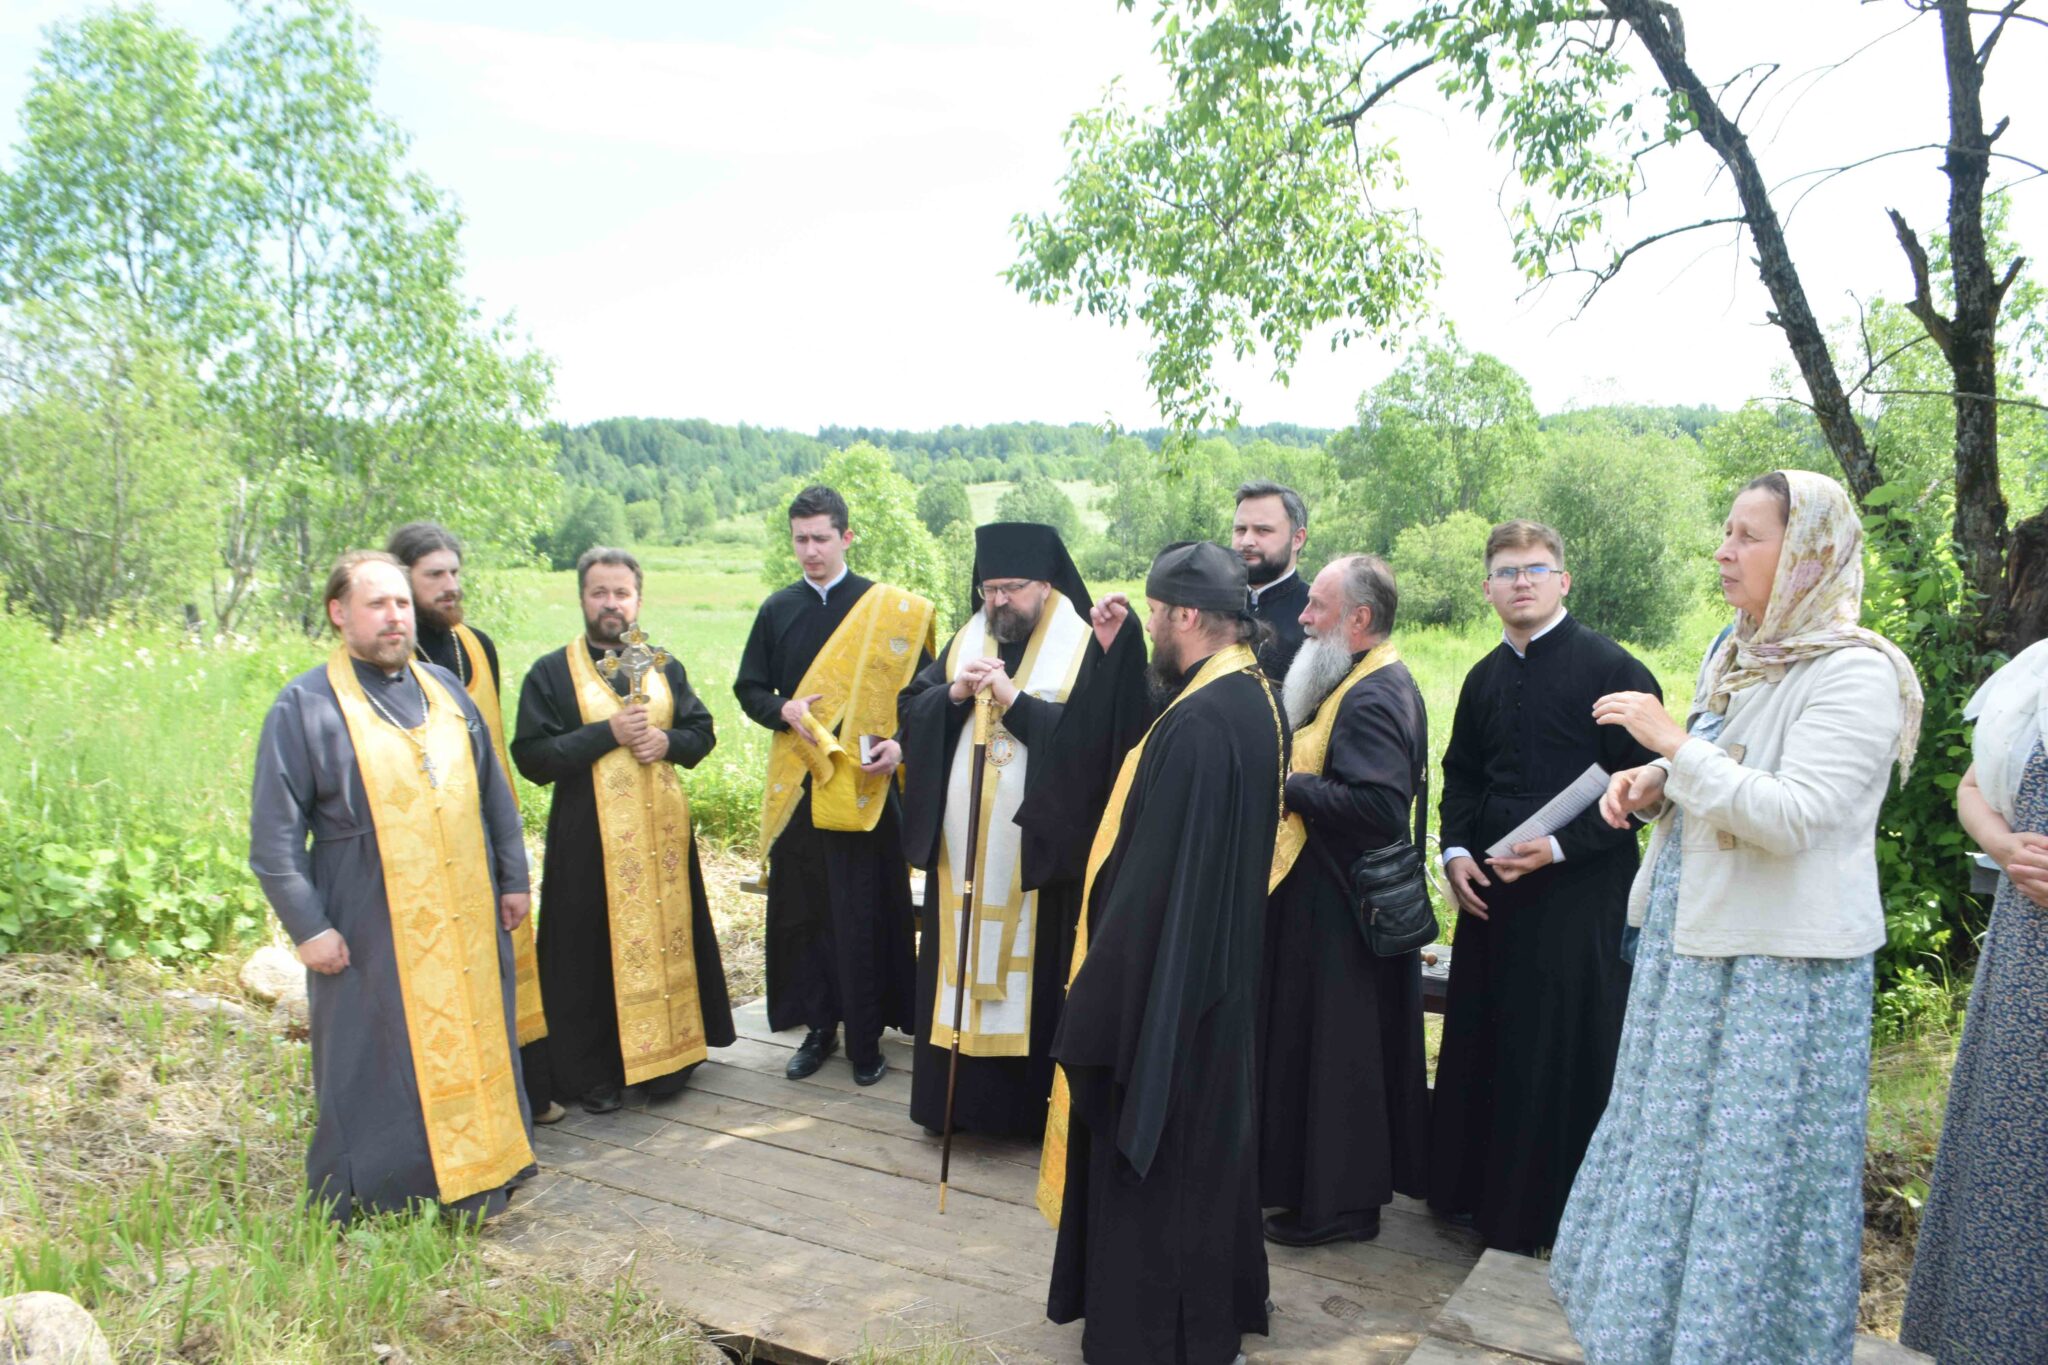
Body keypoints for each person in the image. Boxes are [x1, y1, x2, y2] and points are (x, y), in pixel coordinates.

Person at [1550, 471, 1923, 1362]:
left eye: (1749, 536)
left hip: (1778, 977)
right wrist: (1655, 787)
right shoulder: (1742, 648)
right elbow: (1726, 774)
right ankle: (1651, 1339)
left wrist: (1673, 744)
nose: (1724, 550)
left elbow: (1796, 816)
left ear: (1806, 555)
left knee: (1745, 1183)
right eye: (1726, 531)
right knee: (1673, 1157)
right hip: (1697, 956)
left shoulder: (1857, 672)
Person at [1042, 540, 1285, 1365]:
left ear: (1185, 614)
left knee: (1164, 1167)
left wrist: (1099, 1006)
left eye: (1152, 612)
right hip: (1213, 985)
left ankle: (1154, 1340)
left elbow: (1154, 889)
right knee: (1204, 1164)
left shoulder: (1204, 723)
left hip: (1170, 997)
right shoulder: (1247, 695)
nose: (1149, 625)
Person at [249, 550, 534, 1222]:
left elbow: (495, 793)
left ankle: (486, 1175)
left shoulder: (444, 688)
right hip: (368, 911)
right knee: (378, 1054)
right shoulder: (305, 706)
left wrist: (514, 876)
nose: (395, 615)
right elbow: (273, 838)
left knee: (476, 1034)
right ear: (338, 612)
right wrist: (309, 927)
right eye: (377, 603)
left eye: (402, 602)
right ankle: (387, 1199)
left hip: (464, 908)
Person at [1429, 521, 1660, 1253]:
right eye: (1504, 571)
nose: (1519, 581)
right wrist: (1456, 850)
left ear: (1564, 581)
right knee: (1488, 1043)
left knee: (1555, 1054)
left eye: (1534, 568)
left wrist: (1559, 846)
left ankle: (1552, 1218)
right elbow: (1461, 774)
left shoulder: (1615, 671)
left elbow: (1649, 796)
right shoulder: (1481, 676)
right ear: (1489, 587)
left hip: (1579, 903)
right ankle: (1474, 1199)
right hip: (1492, 898)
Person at [897, 522, 1150, 1139]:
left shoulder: (1085, 644)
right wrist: (953, 694)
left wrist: (1017, 702)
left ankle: (1019, 1112)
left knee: (1030, 977)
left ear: (1045, 584)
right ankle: (949, 1107)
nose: (998, 602)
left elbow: (1100, 748)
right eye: (988, 588)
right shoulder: (968, 637)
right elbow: (912, 706)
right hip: (964, 855)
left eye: (1011, 588)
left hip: (1038, 858)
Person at [511, 547, 735, 1115]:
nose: (611, 604)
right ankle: (595, 1074)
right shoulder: (551, 671)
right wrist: (606, 732)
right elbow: (532, 757)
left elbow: (701, 730)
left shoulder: (661, 665)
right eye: (599, 593)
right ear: (582, 597)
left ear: (638, 599)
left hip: (660, 843)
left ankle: (669, 1060)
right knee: (587, 952)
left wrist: (669, 742)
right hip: (588, 842)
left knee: (665, 944)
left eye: (621, 594)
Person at [1258, 553, 1430, 1247]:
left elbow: (1381, 807)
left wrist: (1291, 786)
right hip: (1329, 904)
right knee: (1328, 1055)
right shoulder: (1359, 674)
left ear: (1358, 619)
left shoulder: (1373, 692)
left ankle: (1340, 1208)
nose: (1302, 616)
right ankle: (1320, 1193)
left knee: (1342, 1061)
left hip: (1344, 914)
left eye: (1318, 607)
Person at [735, 485, 933, 1087]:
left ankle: (867, 1038)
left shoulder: (891, 609)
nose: (810, 550)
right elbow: (749, 690)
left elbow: (923, 697)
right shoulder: (778, 610)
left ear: (846, 537)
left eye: (822, 537)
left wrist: (901, 745)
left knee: (865, 911)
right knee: (811, 912)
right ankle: (820, 1029)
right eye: (801, 539)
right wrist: (784, 709)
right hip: (804, 784)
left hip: (870, 789)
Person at [1898, 643, 2048, 1363]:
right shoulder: (2037, 674)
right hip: (2028, 970)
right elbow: (1973, 788)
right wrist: (2007, 845)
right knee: (2013, 1167)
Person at [387, 520, 557, 1124]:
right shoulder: (392, 657)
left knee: (512, 957)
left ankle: (531, 1095)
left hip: (492, 828)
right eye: (434, 576)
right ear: (402, 581)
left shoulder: (476, 645)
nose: (449, 586)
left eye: (454, 573)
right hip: (430, 841)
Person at [1233, 480, 1310, 681]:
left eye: (1263, 530)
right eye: (1240, 530)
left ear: (1297, 539)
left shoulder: (1317, 616)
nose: (1246, 541)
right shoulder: (1212, 607)